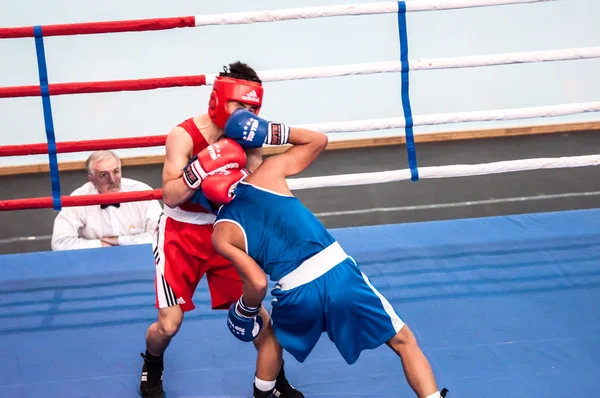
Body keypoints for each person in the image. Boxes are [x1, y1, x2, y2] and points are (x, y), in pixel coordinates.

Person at [201, 108, 449, 398]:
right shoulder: (267, 174)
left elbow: (256, 284)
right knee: (404, 342)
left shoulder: (221, 234)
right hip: (339, 275)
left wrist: (246, 309)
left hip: (294, 292)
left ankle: (262, 395)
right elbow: (318, 141)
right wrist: (270, 131)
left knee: (272, 338)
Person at [140, 62, 303, 398]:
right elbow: (169, 194)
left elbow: (260, 193)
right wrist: (199, 170)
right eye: (238, 105)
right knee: (168, 325)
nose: (245, 114)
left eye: (251, 108)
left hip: (226, 234)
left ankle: (273, 379)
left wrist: (241, 184)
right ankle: (153, 362)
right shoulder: (183, 135)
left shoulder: (248, 139)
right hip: (179, 235)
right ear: (218, 100)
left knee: (259, 317)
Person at [51, 150, 162, 251]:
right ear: (92, 179)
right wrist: (100, 245)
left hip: (140, 256)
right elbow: (59, 242)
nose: (112, 180)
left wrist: (119, 241)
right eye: (104, 175)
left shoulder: (142, 192)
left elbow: (161, 235)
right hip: (94, 259)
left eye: (116, 172)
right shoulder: (79, 198)